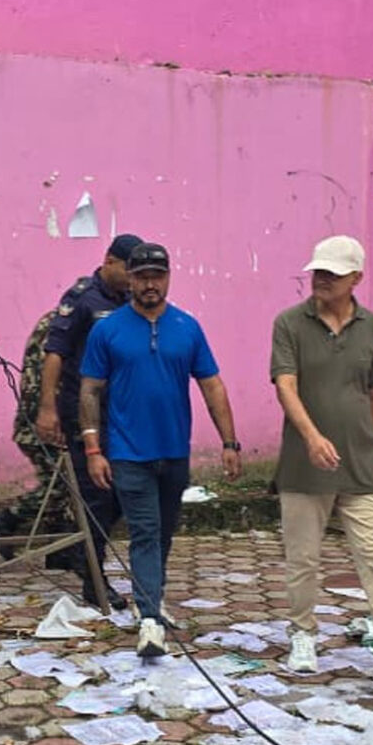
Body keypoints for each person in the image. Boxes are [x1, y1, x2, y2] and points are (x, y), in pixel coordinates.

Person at [270, 235, 373, 691]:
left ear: (356, 279)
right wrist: (312, 437)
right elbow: (285, 385)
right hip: (302, 463)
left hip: (363, 465)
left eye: (332, 273)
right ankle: (303, 632)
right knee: (303, 558)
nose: (321, 279)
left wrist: (363, 439)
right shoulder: (289, 323)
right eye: (318, 271)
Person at [80, 242, 241, 656]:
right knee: (145, 531)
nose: (150, 284)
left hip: (174, 451)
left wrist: (229, 442)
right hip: (128, 452)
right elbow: (90, 390)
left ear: (168, 278)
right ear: (130, 280)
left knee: (164, 531)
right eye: (142, 277)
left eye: (157, 276)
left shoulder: (187, 327)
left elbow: (212, 385)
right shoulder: (108, 330)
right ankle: (149, 619)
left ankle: (152, 597)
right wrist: (94, 449)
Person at [0, 234, 142, 610]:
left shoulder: (127, 301)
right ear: (109, 261)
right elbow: (52, 361)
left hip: (117, 416)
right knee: (90, 496)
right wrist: (48, 411)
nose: (134, 279)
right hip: (78, 416)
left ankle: (72, 553)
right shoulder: (80, 302)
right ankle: (90, 576)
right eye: (129, 270)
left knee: (117, 494)